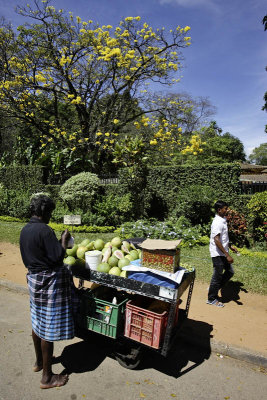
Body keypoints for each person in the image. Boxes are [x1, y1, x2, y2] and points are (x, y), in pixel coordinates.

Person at [20, 194, 79, 389]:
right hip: (48, 284)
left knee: (37, 323)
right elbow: (57, 257)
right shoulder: (44, 230)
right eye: (50, 213)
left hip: (34, 281)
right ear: (44, 211)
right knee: (48, 329)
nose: (50, 216)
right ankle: (47, 377)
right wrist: (63, 239)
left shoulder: (25, 229)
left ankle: (39, 362)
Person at [207, 200, 238, 307]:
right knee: (217, 275)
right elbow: (216, 239)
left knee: (230, 271)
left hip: (223, 252)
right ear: (219, 210)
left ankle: (213, 288)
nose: (227, 210)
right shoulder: (217, 222)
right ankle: (211, 298)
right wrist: (227, 255)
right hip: (217, 253)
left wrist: (230, 247)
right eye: (225, 208)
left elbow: (223, 237)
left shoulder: (223, 219)